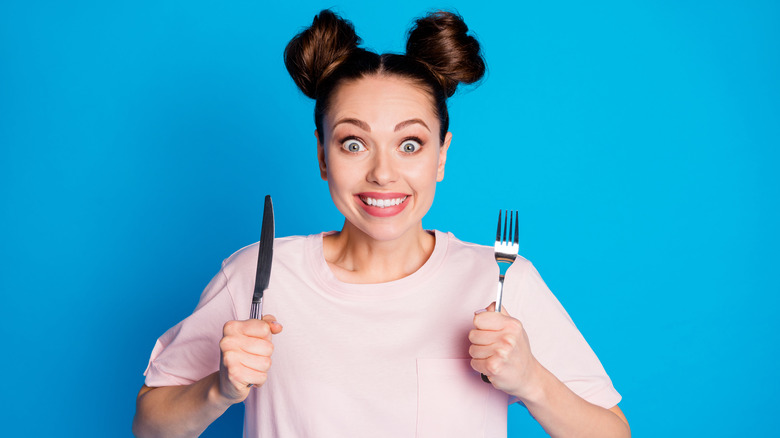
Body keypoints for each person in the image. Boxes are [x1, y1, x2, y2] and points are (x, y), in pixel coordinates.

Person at [133, 9, 630, 438]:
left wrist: (532, 381)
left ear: (442, 156)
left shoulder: (502, 280)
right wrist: (218, 389)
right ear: (323, 156)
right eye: (354, 143)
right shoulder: (257, 275)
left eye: (410, 144)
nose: (383, 173)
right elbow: (149, 424)